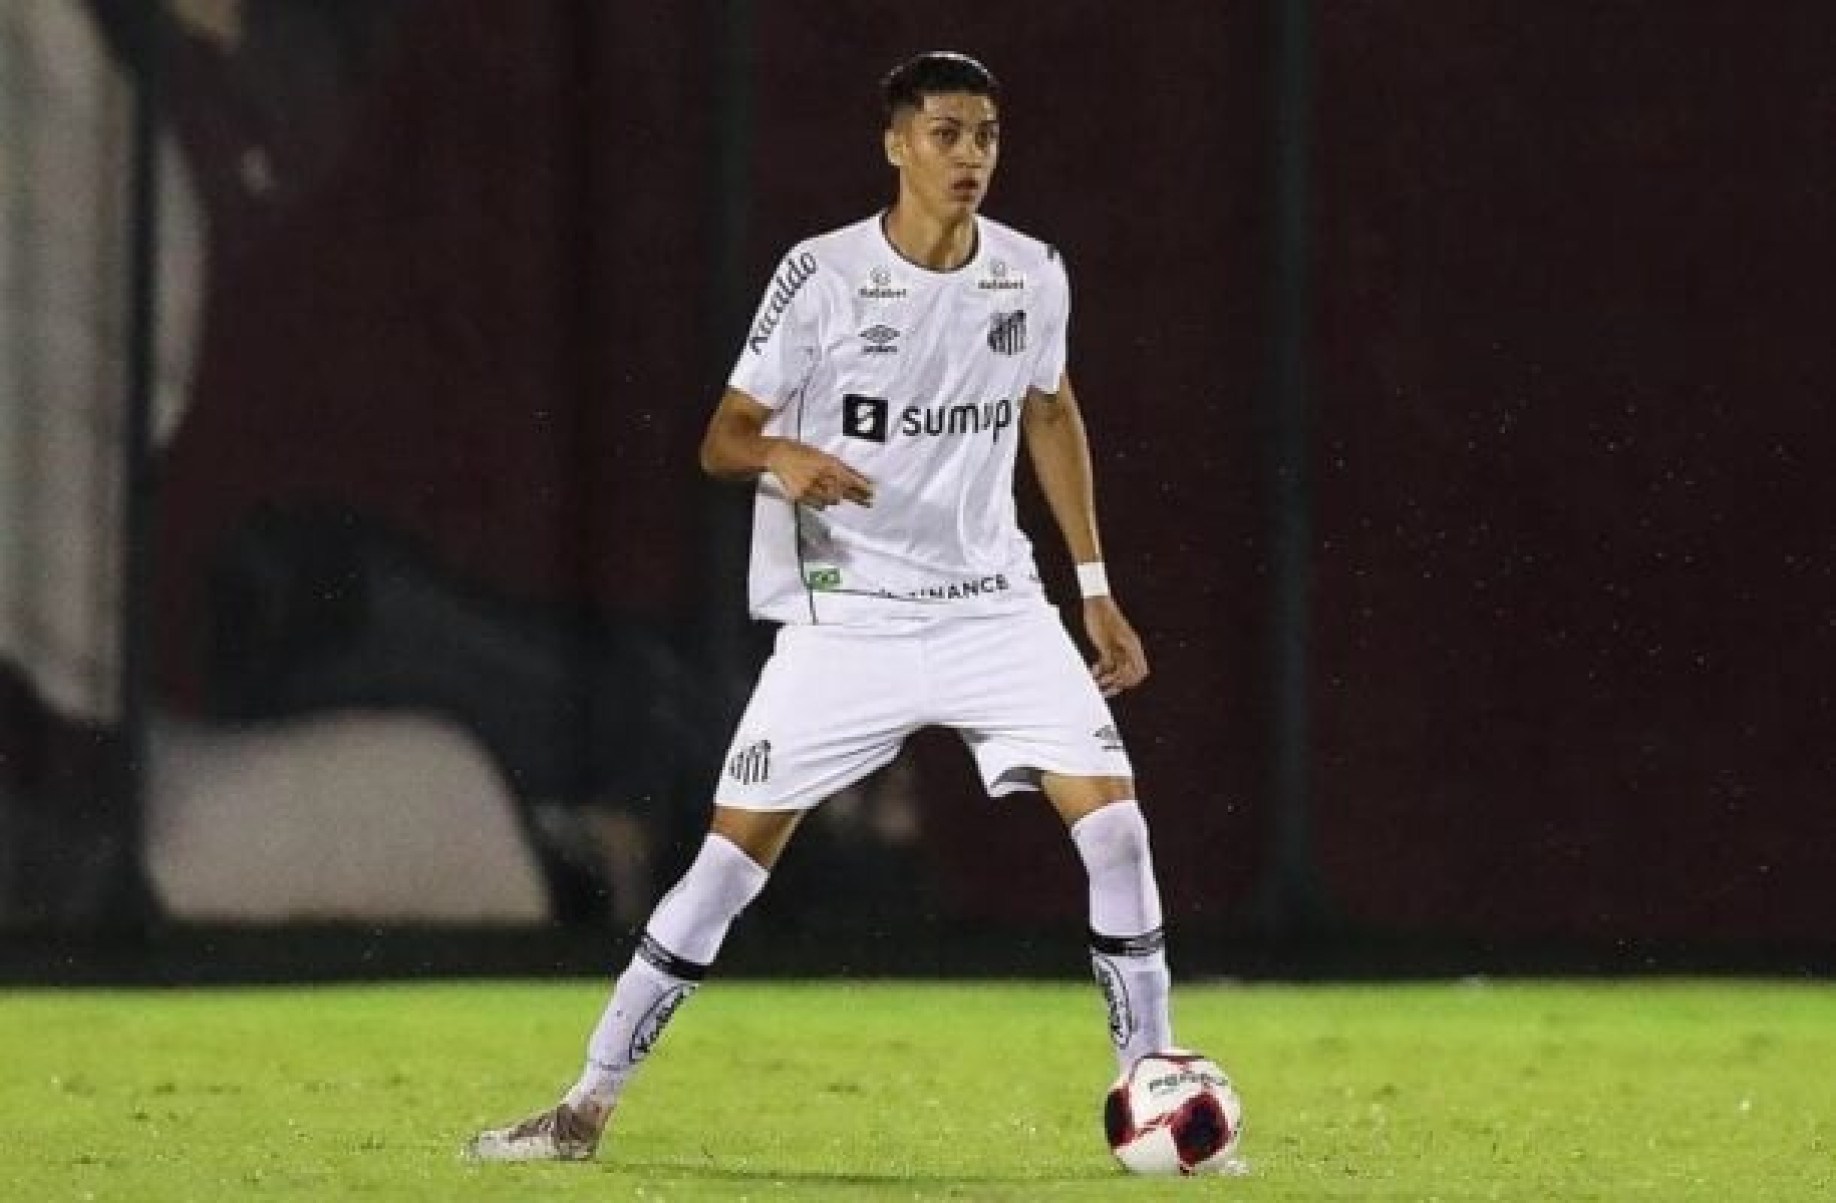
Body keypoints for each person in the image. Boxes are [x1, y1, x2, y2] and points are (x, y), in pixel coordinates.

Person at [467, 50, 1177, 1162]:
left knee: (1120, 830)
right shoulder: (823, 277)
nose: (970, 155)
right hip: (851, 623)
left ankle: (1156, 1090)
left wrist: (1093, 589)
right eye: (945, 133)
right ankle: (582, 1109)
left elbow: (1052, 412)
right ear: (896, 144)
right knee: (726, 867)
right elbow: (721, 439)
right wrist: (783, 456)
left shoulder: (1033, 273)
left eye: (985, 134)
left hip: (997, 610)